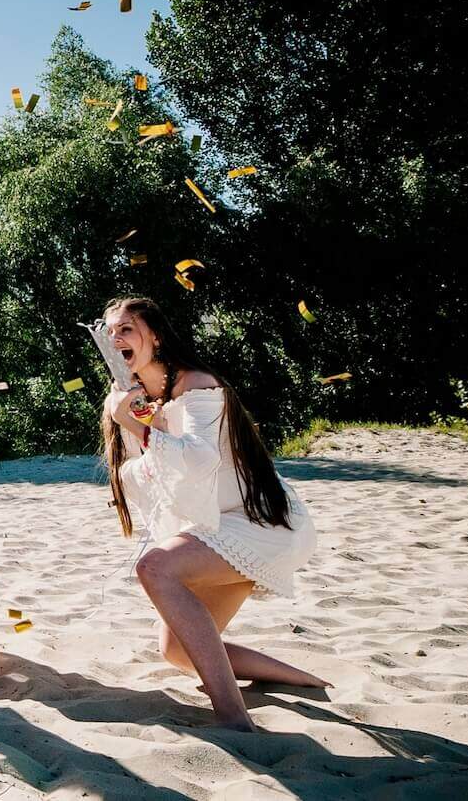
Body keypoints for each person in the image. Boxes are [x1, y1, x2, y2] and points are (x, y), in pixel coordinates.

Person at [101, 296, 327, 730]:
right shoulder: (134, 396)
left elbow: (200, 460)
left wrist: (134, 424)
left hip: (261, 522)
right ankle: (296, 678)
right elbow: (146, 471)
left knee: (155, 567)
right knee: (176, 651)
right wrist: (130, 415)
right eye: (111, 332)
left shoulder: (197, 384)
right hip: (217, 526)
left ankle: (233, 717)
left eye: (126, 328)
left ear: (157, 336)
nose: (116, 338)